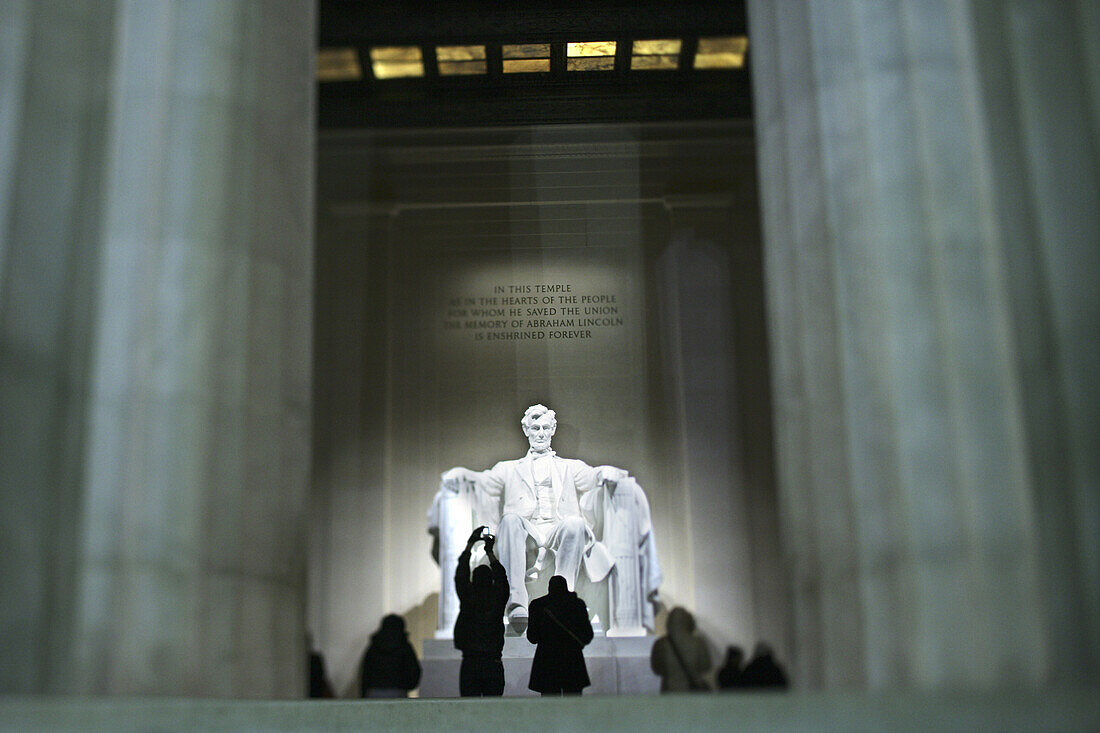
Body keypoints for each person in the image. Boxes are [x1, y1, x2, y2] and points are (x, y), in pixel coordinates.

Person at [443, 404, 655, 634]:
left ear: (553, 430)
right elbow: (483, 482)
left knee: (575, 523)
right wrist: (461, 475)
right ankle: (517, 602)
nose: (541, 433)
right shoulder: (508, 468)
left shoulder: (570, 467)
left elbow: (593, 477)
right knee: (511, 519)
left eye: (545, 428)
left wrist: (606, 471)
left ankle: (563, 599)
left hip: (557, 529)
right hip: (527, 532)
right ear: (526, 431)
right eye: (535, 428)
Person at [453, 525, 509, 696]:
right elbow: (502, 576)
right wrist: (489, 551)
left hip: (471, 661)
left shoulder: (468, 597)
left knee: (470, 710)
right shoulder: (497, 598)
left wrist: (470, 543)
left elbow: (461, 574)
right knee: (493, 710)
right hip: (492, 661)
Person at [526, 575, 595, 696]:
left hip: (547, 661)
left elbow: (532, 637)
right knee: (573, 706)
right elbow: (587, 635)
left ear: (549, 588)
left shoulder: (538, 606)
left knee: (550, 706)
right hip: (572, 660)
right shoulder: (577, 605)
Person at [650, 607, 712, 692]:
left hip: (669, 691)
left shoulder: (660, 644)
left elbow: (656, 669)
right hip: (692, 691)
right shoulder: (697, 643)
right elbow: (706, 666)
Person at [359, 614, 421, 698]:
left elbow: (366, 673)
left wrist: (364, 695)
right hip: (398, 691)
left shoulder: (374, 647)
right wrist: (407, 685)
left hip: (374, 692)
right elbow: (413, 671)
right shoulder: (405, 647)